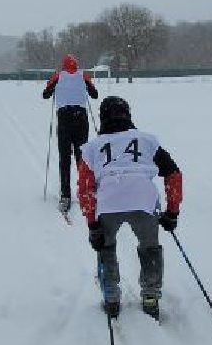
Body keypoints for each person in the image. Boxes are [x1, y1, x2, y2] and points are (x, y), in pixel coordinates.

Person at [78, 95, 183, 319]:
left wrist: (93, 225)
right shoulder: (147, 141)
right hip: (143, 200)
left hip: (108, 202)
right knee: (150, 247)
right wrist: (172, 211)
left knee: (106, 247)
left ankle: (111, 297)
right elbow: (173, 174)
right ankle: (151, 295)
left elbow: (85, 188)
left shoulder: (92, 148)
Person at [41, 53, 98, 214]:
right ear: (76, 65)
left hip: (64, 119)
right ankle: (85, 190)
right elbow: (94, 95)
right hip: (81, 119)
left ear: (64, 65)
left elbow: (45, 95)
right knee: (82, 157)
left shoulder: (58, 76)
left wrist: (53, 86)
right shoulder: (83, 75)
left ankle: (65, 195)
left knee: (64, 158)